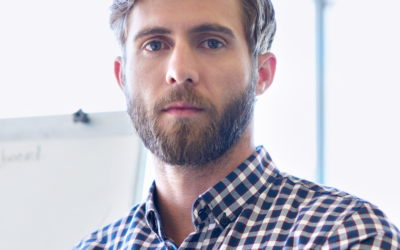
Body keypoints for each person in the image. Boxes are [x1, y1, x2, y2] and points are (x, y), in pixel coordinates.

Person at [73, 0, 400, 249]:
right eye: (155, 44)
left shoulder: (343, 234)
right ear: (122, 78)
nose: (180, 70)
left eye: (211, 42)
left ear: (261, 74)